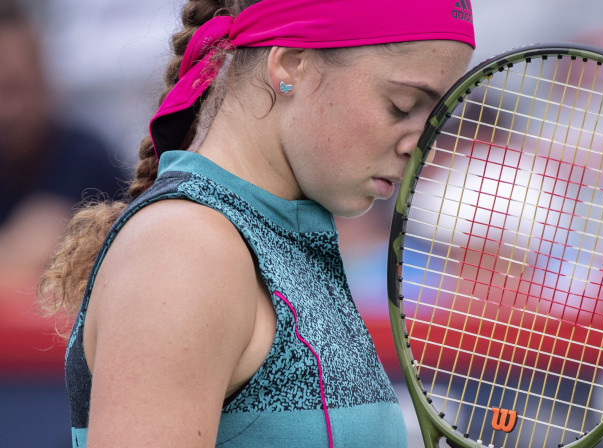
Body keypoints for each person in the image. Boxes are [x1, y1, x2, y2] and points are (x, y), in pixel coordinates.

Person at [37, 0, 475, 446]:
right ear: (289, 65)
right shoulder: (186, 247)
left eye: (436, 117)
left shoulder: (275, 239)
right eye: (401, 106)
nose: (421, 146)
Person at [0, 1, 125, 280]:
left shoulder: (85, 157)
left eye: (15, 87)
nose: (8, 109)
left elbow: (33, 251)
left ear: (43, 77)